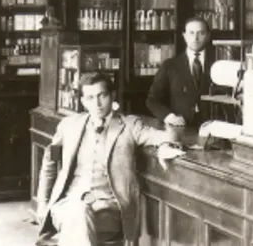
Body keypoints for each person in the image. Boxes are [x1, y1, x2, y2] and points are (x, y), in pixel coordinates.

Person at [36, 72, 185, 246]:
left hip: (109, 209)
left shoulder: (129, 125)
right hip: (68, 203)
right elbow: (50, 161)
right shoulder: (69, 125)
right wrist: (42, 202)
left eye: (102, 95)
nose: (97, 104)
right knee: (78, 212)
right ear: (83, 102)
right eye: (90, 98)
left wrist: (166, 142)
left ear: (112, 95)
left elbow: (166, 137)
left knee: (78, 218)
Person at [147, 17, 213, 129]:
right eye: (191, 33)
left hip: (213, 128)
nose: (195, 38)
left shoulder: (219, 66)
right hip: (181, 129)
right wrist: (169, 117)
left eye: (200, 33)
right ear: (184, 36)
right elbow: (152, 100)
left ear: (208, 35)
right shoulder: (170, 66)